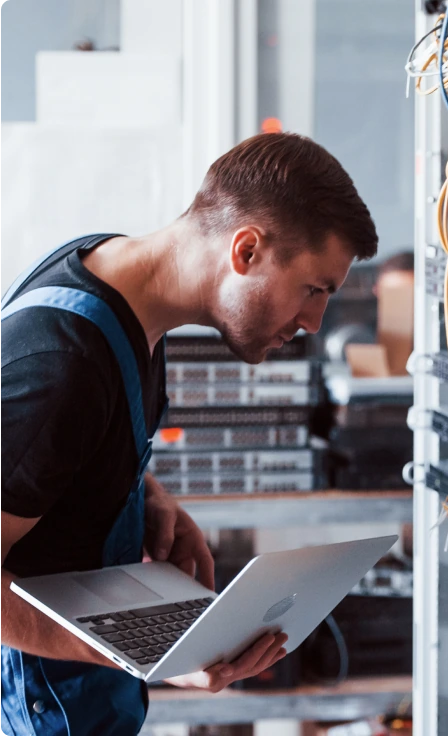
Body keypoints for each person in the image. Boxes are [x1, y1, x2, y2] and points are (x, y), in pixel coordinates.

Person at [0, 132, 378, 735]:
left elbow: (56, 448)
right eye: (314, 289)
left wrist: (147, 495)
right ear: (246, 249)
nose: (314, 322)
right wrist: (153, 651)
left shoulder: (120, 291)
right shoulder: (62, 362)